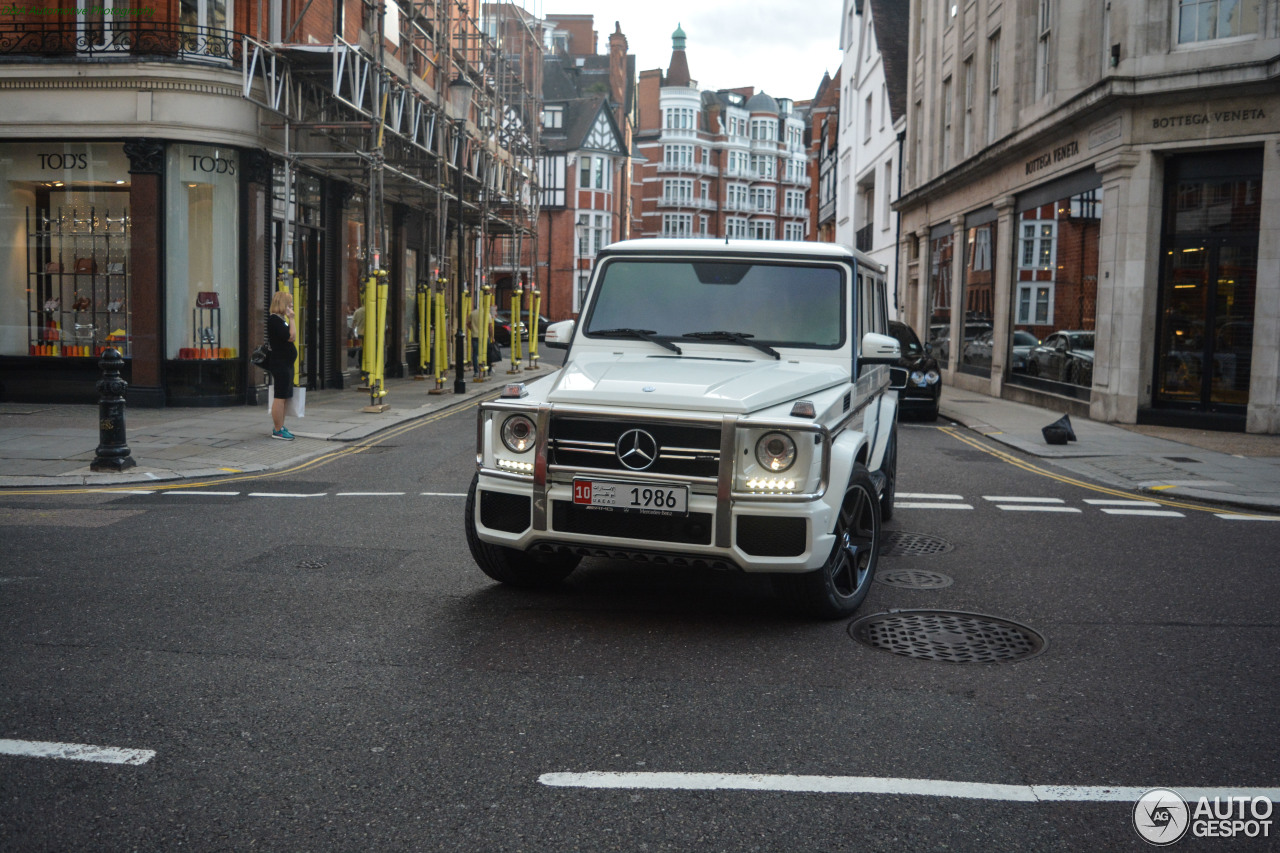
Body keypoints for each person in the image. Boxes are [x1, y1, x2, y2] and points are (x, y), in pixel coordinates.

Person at [267, 289, 298, 440]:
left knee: (284, 396)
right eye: (289, 303)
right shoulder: (274, 320)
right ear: (282, 303)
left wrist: (290, 319)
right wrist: (291, 319)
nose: (291, 305)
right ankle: (277, 429)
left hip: (285, 363)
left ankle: (281, 426)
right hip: (280, 364)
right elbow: (291, 337)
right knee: (280, 396)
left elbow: (293, 336)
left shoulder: (280, 319)